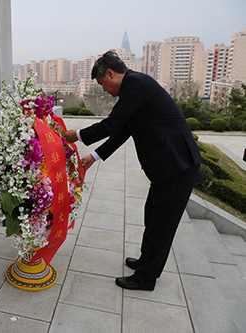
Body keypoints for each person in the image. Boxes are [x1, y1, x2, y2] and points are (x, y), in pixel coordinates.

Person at [65, 51, 202, 291]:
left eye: (102, 84)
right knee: (152, 215)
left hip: (178, 164)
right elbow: (122, 131)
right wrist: (94, 157)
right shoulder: (134, 87)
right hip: (167, 166)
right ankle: (145, 261)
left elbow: (111, 125)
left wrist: (75, 136)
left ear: (110, 73)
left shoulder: (136, 84)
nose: (104, 90)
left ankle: (146, 278)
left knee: (162, 224)